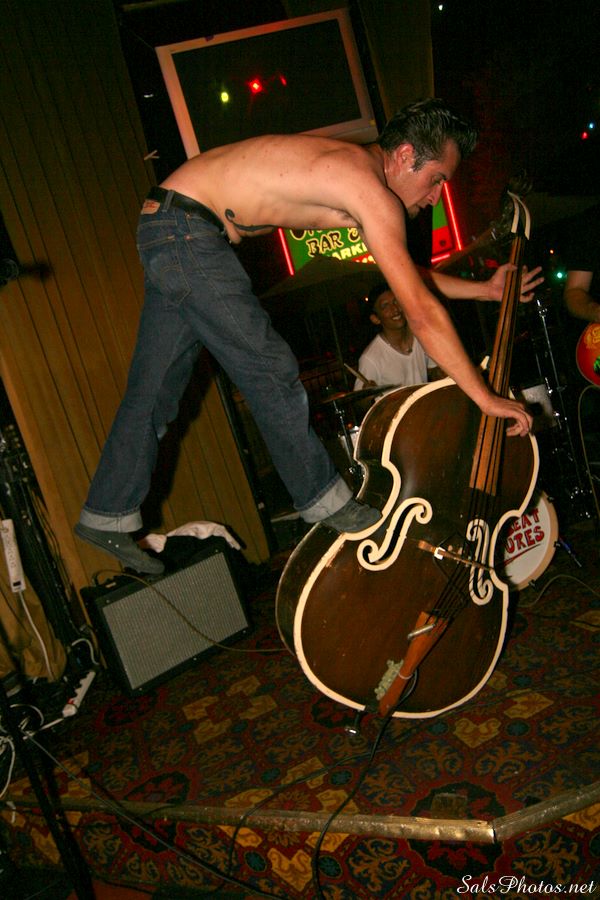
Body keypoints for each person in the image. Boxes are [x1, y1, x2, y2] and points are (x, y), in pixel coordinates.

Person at [75, 99, 543, 575]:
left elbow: (409, 278)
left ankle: (106, 512)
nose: (437, 196)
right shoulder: (367, 186)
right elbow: (420, 311)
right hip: (188, 230)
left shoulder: (358, 179)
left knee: (155, 387)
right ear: (405, 155)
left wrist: (484, 289)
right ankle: (323, 499)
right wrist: (485, 398)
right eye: (437, 179)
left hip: (168, 224)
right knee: (267, 365)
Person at [354, 281, 445, 389]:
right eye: (385, 306)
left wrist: (444, 372)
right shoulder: (371, 358)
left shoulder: (421, 335)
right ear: (375, 319)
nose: (395, 309)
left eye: (396, 301)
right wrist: (368, 394)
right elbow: (361, 397)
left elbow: (433, 370)